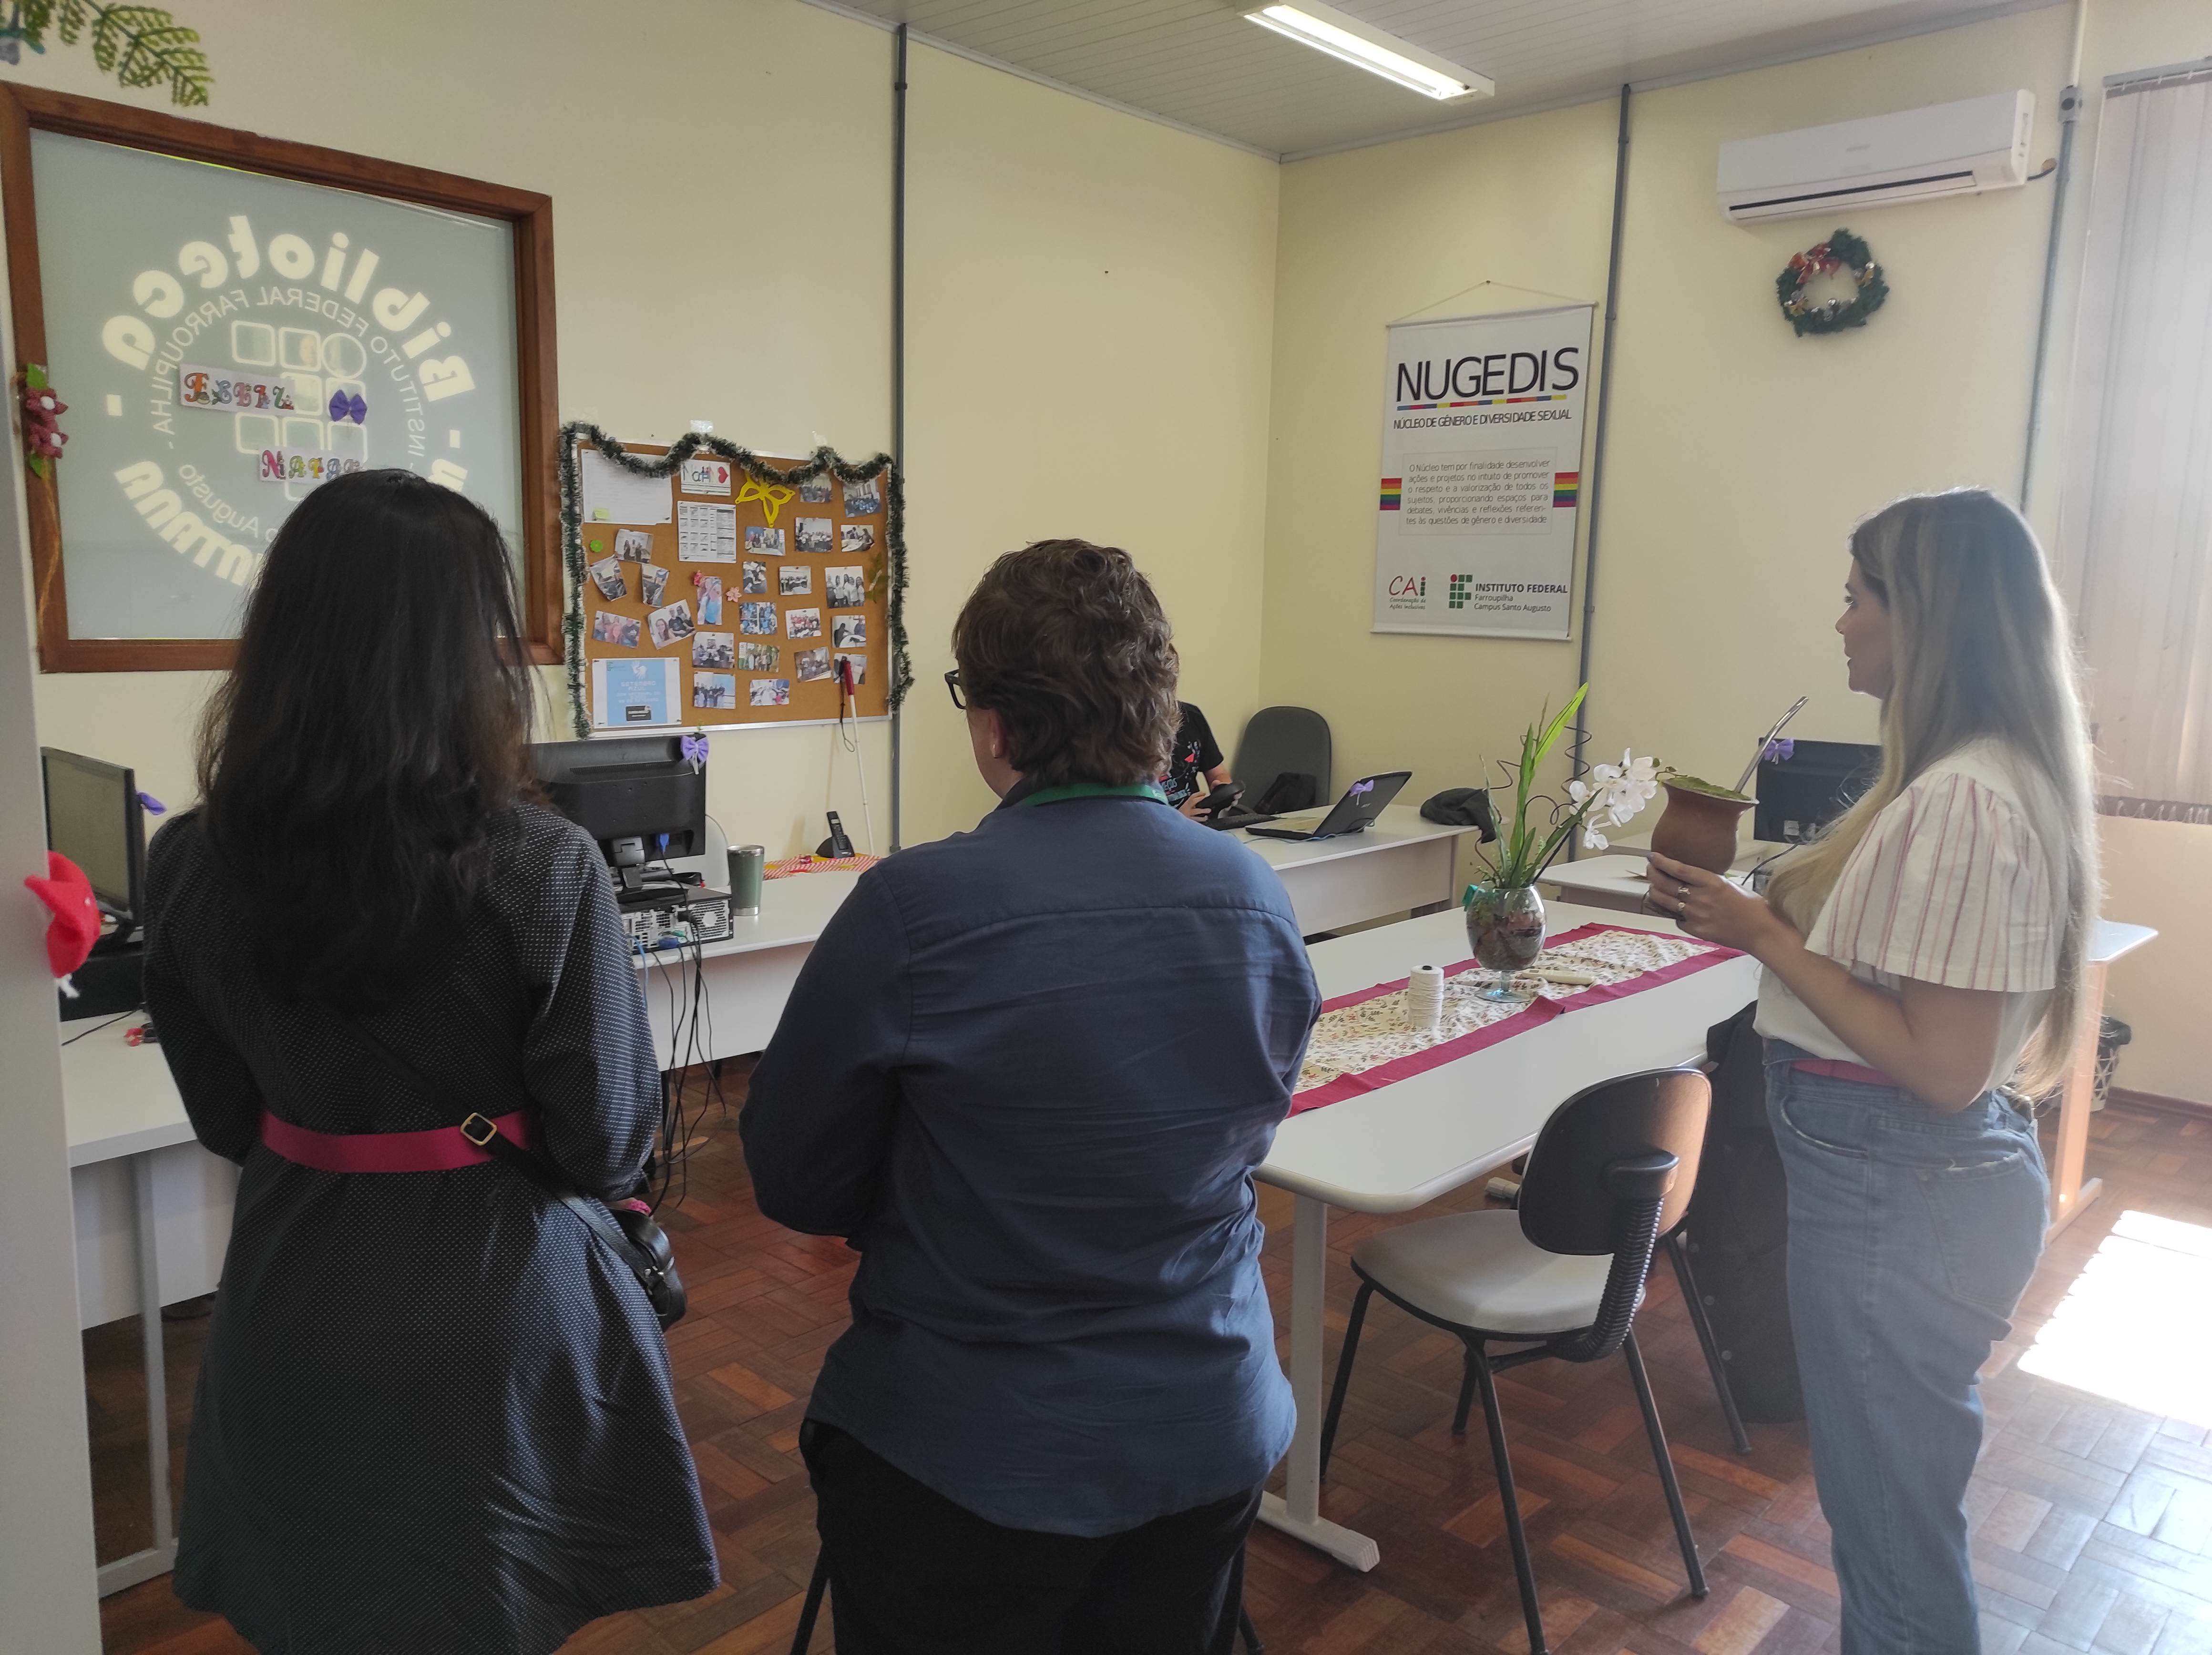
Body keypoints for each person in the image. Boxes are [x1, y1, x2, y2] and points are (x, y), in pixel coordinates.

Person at [141, 470, 716, 1653]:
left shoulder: (187, 861)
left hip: (291, 1287)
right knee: (489, 1597)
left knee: (322, 1598)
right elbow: (607, 1139)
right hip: (497, 1303)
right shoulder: (542, 864)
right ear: (465, 655)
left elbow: (224, 1117)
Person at [742, 539, 1320, 1655]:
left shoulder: (912, 908)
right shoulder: (1255, 896)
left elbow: (793, 1178)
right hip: (1208, 1421)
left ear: (996, 725)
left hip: (969, 1452)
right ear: (1158, 712)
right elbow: (1237, 1121)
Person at [1646, 489, 2095, 1655]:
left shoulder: (1962, 798)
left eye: (1856, 598)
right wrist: (1766, 918)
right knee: (1893, 1523)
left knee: (1894, 1547)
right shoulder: (1971, 778)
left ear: (1925, 616)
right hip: (1903, 1186)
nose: (1839, 621)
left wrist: (1763, 935)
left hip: (1899, 1190)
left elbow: (1939, 1065)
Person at [1163, 701, 1234, 817]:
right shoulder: (1131, 729)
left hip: (1198, 822)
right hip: (1157, 825)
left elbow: (1219, 774)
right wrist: (1178, 819)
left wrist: (1224, 790)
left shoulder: (1191, 715)